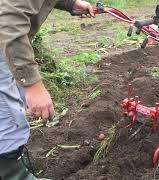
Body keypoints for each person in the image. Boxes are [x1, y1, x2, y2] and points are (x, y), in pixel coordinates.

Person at [0, 0, 94, 179]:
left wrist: (69, 3)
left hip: (6, 43)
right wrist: (33, 84)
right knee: (7, 118)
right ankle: (12, 174)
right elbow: (9, 21)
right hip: (5, 40)